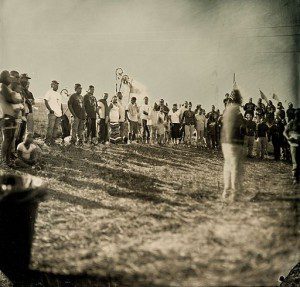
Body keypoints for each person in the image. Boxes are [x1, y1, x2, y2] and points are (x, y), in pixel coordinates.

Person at [221, 88, 245, 201]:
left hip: (225, 141)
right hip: (235, 142)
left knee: (227, 166)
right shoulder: (238, 112)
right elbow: (242, 129)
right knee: (235, 167)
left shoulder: (226, 111)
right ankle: (234, 193)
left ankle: (226, 191)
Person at [0, 70, 23, 166]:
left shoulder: (6, 87)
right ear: (4, 77)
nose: (10, 79)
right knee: (7, 139)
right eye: (9, 77)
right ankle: (2, 160)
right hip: (6, 116)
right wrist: (18, 100)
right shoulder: (2, 86)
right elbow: (10, 99)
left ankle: (8, 161)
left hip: (11, 116)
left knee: (10, 138)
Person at [44, 80, 63, 145]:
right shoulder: (49, 92)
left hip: (59, 113)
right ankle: (47, 141)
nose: (57, 86)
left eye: (57, 85)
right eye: (55, 85)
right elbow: (46, 101)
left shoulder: (58, 94)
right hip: (52, 113)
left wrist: (61, 112)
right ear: (52, 85)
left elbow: (60, 104)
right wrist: (50, 110)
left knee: (56, 128)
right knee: (50, 127)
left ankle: (53, 141)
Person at [283, 109, 300, 184]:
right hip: (294, 144)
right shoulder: (292, 123)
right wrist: (288, 138)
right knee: (295, 161)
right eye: (297, 115)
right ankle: (295, 178)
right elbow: (285, 132)